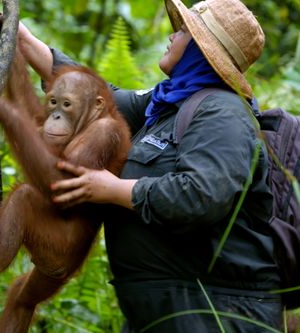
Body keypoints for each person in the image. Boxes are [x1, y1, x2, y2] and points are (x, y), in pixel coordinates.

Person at [15, 0, 283, 332]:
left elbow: (202, 195)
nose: (172, 36)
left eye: (183, 31)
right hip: (166, 311)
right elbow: (94, 96)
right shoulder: (167, 104)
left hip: (215, 313)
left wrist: (114, 190)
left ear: (202, 50)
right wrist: (21, 38)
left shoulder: (222, 112)